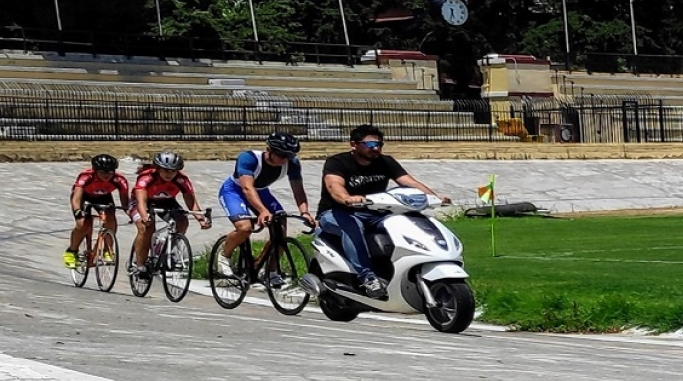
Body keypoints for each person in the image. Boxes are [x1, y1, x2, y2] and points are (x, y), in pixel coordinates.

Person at [317, 124, 451, 298]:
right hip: (337, 213)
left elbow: (410, 183)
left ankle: (408, 266)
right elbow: (334, 186)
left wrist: (434, 197)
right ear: (354, 144)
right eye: (371, 145)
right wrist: (348, 198)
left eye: (379, 144)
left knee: (407, 221)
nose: (376, 149)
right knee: (352, 226)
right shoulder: (338, 162)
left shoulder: (385, 162)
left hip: (375, 213)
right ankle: (367, 277)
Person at [216, 131, 315, 286]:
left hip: (261, 191)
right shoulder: (248, 158)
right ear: (270, 150)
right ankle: (224, 254)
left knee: (280, 231)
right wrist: (262, 210)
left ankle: (268, 270)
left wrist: (305, 212)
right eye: (282, 155)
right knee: (245, 227)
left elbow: (298, 190)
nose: (286, 159)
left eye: (290, 155)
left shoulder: (292, 163)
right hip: (234, 191)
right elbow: (247, 189)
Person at [129, 151, 211, 279]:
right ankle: (140, 265)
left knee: (183, 221)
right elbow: (141, 201)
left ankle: (167, 251)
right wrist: (145, 216)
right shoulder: (147, 178)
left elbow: (191, 201)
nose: (169, 174)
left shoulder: (181, 180)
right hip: (143, 202)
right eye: (166, 170)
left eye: (173, 171)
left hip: (167, 201)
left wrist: (201, 219)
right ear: (158, 169)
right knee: (146, 228)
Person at [64, 154, 131, 268]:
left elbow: (126, 204)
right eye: (103, 172)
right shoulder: (86, 177)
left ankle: (108, 249)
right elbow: (76, 198)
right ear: (95, 170)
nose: (107, 175)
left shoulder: (119, 180)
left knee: (110, 217)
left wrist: (131, 214)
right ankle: (72, 251)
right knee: (83, 224)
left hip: (104, 197)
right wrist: (77, 211)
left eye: (110, 172)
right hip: (84, 197)